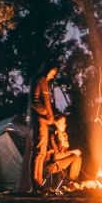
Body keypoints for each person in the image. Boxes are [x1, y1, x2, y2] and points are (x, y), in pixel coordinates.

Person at [28, 62, 59, 191]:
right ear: (47, 70)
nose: (53, 76)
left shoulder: (44, 83)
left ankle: (39, 183)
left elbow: (46, 102)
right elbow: (34, 101)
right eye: (52, 72)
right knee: (38, 152)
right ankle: (35, 184)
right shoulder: (38, 80)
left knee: (42, 152)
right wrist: (46, 114)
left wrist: (51, 117)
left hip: (44, 122)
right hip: (39, 120)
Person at [45, 114, 82, 183]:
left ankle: (72, 182)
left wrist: (65, 144)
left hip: (60, 162)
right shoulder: (53, 136)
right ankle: (71, 182)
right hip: (53, 165)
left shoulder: (63, 135)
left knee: (78, 157)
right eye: (63, 123)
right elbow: (56, 156)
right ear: (57, 124)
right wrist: (72, 152)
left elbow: (65, 153)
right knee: (75, 157)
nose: (65, 125)